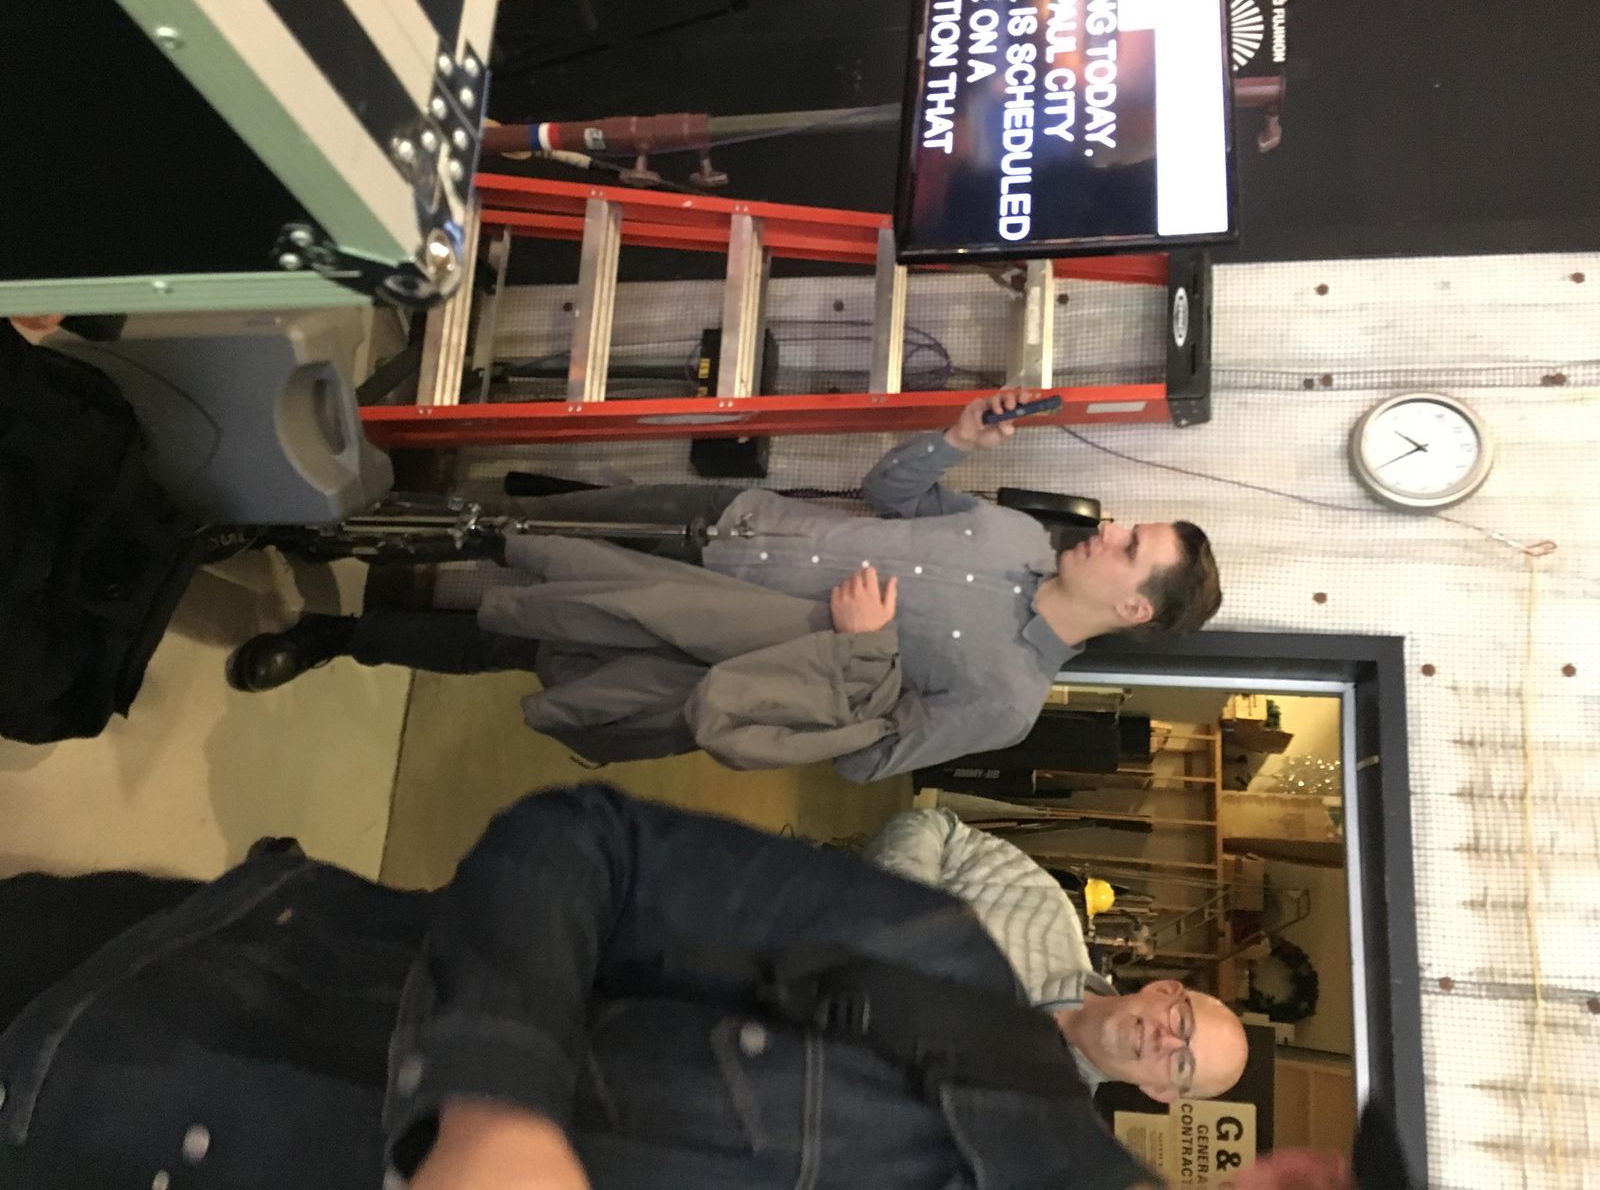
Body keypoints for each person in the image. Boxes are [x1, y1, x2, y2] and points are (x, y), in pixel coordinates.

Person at [0, 786, 1405, 1190]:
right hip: (140, 1019)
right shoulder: (962, 962)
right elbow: (585, 845)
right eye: (1181, 1022)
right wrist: (497, 1107)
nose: (1161, 1038)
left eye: (1175, 1059)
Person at [230, 392, 1223, 781]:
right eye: (1127, 526)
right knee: (520, 526)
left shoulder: (1006, 703)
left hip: (704, 638)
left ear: (1134, 607)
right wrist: (953, 441)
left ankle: (334, 638)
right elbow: (889, 496)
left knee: (521, 638)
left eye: (1130, 546)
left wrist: (866, 648)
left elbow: (868, 759)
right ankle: (307, 527)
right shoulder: (1017, 533)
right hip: (733, 519)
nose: (1109, 532)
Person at [866, 807, 1248, 1101]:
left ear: (1160, 1091)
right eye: (1182, 1023)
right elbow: (935, 827)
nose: (1166, 1041)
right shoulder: (1042, 904)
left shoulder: (1029, 1125)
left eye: (1182, 1064)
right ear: (1163, 990)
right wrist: (900, 918)